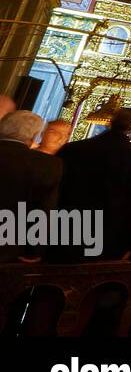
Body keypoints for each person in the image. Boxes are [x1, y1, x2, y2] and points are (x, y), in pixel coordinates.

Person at [52, 109, 131, 263]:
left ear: (110, 123)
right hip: (109, 233)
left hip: (67, 225)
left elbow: (54, 188)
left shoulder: (73, 149)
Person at [0, 111, 62, 262]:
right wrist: (33, 251)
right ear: (34, 136)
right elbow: (43, 211)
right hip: (7, 248)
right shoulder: (47, 165)